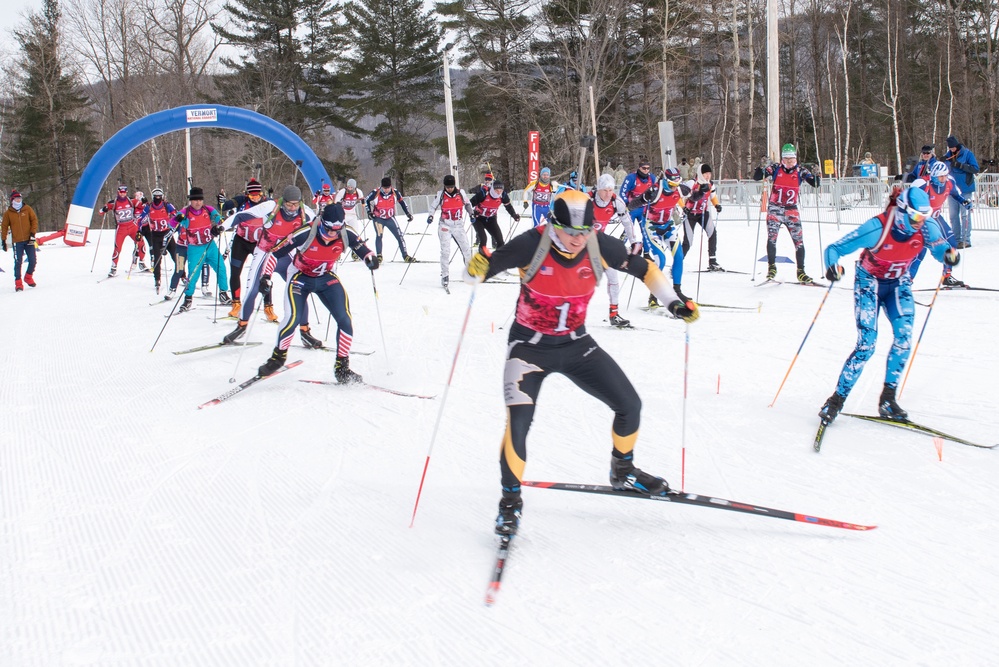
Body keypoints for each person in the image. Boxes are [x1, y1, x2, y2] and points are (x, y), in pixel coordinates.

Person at [462, 190, 700, 536]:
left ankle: (623, 471)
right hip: (528, 349)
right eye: (569, 231)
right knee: (518, 424)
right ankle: (510, 503)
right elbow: (476, 275)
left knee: (629, 405)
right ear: (552, 225)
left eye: (584, 231)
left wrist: (674, 303)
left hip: (576, 344)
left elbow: (646, 269)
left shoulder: (599, 245)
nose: (577, 239)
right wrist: (476, 268)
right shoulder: (531, 244)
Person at [817, 187, 959, 425]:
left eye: (924, 216)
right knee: (867, 344)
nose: (919, 223)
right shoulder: (877, 228)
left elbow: (939, 249)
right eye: (915, 217)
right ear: (901, 210)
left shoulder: (926, 226)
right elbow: (834, 249)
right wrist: (832, 266)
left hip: (898, 283)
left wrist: (949, 255)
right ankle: (835, 401)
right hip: (869, 283)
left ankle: (888, 399)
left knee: (904, 338)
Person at [257, 203, 379, 382]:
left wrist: (371, 259)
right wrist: (266, 277)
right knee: (292, 319)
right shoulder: (305, 232)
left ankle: (342, 368)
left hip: (325, 277)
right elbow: (274, 253)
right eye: (330, 229)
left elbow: (363, 250)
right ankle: (278, 358)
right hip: (300, 277)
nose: (333, 234)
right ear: (322, 222)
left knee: (345, 319)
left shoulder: (346, 232)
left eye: (337, 230)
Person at [221, 185, 318, 346]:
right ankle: (242, 325)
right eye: (289, 204)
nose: (292, 208)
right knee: (252, 289)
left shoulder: (305, 212)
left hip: (287, 255)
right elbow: (241, 216)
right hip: (265, 252)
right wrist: (222, 227)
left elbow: (319, 230)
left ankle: (305, 331)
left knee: (298, 290)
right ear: (283, 201)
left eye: (296, 204)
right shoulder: (271, 206)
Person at [752, 143, 820, 283]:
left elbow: (815, 184)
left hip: (791, 210)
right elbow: (757, 177)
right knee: (772, 238)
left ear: (795, 159)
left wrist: (816, 173)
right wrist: (761, 166)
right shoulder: (776, 168)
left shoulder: (801, 171)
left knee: (798, 241)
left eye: (792, 159)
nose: (789, 162)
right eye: (787, 159)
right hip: (775, 208)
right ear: (782, 159)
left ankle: (801, 271)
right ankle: (771, 268)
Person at [590, 173, 644, 326]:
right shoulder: (588, 199)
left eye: (611, 190)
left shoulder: (616, 201)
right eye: (605, 190)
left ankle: (614, 314)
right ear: (599, 189)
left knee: (613, 276)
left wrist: (634, 241)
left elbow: (627, 223)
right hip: (581, 243)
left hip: (600, 241)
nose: (608, 193)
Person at [908, 163, 970, 287]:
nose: (944, 179)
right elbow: (907, 198)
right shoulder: (922, 184)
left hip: (936, 217)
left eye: (945, 176)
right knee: (920, 250)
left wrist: (964, 202)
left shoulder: (949, 182)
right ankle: (906, 281)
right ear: (934, 176)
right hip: (922, 220)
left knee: (952, 244)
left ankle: (947, 276)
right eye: (941, 177)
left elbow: (957, 195)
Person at [174, 187, 232, 313]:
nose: (198, 203)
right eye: (195, 200)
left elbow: (219, 219)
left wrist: (219, 226)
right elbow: (173, 221)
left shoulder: (208, 209)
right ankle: (188, 298)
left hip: (210, 246)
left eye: (200, 200)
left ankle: (223, 293)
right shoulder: (186, 211)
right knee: (193, 274)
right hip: (195, 248)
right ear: (191, 201)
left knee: (221, 268)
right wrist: (178, 219)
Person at [638, 168, 691, 304]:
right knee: (660, 259)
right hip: (652, 226)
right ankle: (654, 295)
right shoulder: (656, 190)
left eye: (677, 184)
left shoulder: (679, 189)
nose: (675, 188)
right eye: (672, 185)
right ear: (666, 181)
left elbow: (694, 194)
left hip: (668, 225)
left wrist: (701, 192)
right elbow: (637, 202)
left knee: (679, 256)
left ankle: (677, 291)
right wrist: (629, 207)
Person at [219, 178, 269, 317]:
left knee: (264, 274)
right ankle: (236, 304)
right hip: (241, 241)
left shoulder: (267, 202)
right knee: (235, 272)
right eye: (252, 195)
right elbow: (225, 206)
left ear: (261, 193)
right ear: (247, 194)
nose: (255, 198)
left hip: (259, 243)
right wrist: (222, 202)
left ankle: (268, 306)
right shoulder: (242, 200)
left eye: (257, 195)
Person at [427, 174, 474, 290]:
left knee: (466, 249)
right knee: (445, 251)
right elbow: (433, 207)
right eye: (447, 187)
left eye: (451, 186)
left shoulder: (461, 193)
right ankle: (445, 275)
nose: (450, 189)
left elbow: (467, 204)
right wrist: (430, 216)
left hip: (458, 225)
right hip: (445, 225)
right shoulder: (441, 195)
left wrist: (471, 214)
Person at [136, 187, 178, 294]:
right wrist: (138, 231)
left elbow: (176, 215)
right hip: (155, 235)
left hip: (167, 233)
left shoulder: (167, 205)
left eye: (160, 196)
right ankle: (157, 279)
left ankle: (182, 275)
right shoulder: (149, 207)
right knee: (156, 258)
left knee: (176, 256)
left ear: (162, 196)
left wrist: (176, 226)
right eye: (156, 196)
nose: (158, 198)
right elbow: (140, 219)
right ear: (153, 197)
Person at [682, 164, 723, 271]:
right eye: (705, 174)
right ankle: (678, 263)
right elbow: (680, 196)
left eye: (709, 174)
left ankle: (712, 261)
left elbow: (713, 197)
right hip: (690, 214)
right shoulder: (692, 183)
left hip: (703, 213)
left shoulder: (710, 185)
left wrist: (717, 205)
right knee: (688, 241)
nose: (707, 176)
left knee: (712, 233)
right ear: (700, 173)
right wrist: (683, 207)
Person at [364, 176, 415, 263]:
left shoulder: (395, 192)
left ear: (390, 186)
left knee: (399, 236)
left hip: (390, 218)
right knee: (379, 236)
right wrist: (369, 212)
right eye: (384, 188)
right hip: (378, 219)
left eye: (388, 188)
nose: (386, 190)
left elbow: (402, 202)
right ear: (382, 187)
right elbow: (366, 200)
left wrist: (408, 213)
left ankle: (405, 255)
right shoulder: (376, 192)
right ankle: (379, 255)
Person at [100, 185, 147, 277]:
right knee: (118, 248)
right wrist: (104, 209)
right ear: (118, 192)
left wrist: (144, 202)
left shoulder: (131, 201)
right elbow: (101, 212)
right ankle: (113, 267)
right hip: (121, 228)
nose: (123, 194)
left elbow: (141, 206)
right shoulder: (114, 203)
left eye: (124, 192)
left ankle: (142, 263)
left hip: (132, 226)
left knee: (141, 243)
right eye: (121, 192)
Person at [943, 135, 980, 248]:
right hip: (952, 190)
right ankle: (956, 239)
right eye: (950, 148)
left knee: (965, 215)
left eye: (953, 147)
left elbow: (975, 168)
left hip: (965, 189)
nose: (952, 149)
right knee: (953, 215)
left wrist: (960, 165)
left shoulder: (967, 154)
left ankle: (966, 240)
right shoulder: (948, 156)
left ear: (957, 145)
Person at [1, 190, 39, 291]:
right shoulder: (8, 213)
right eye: (17, 198)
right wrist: (3, 240)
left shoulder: (27, 209)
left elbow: (34, 220)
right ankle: (18, 283)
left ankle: (28, 277)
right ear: (12, 200)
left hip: (29, 240)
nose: (19, 200)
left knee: (33, 260)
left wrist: (32, 233)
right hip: (17, 241)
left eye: (20, 198)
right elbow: (4, 227)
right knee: (18, 262)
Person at [619, 160, 657, 257]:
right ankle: (618, 250)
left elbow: (657, 192)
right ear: (639, 168)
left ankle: (647, 253)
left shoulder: (652, 178)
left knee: (646, 231)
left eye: (648, 168)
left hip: (644, 209)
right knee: (628, 231)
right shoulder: (631, 178)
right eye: (644, 168)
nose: (646, 170)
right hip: (632, 209)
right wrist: (627, 203)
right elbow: (622, 192)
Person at [469, 179, 520, 251]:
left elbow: (508, 206)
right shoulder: (484, 193)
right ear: (493, 189)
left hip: (491, 219)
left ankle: (499, 259)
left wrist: (514, 215)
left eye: (500, 190)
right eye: (497, 190)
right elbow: (469, 204)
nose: (499, 192)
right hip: (479, 218)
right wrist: (473, 213)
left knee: (500, 241)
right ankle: (482, 257)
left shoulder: (503, 195)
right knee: (483, 239)